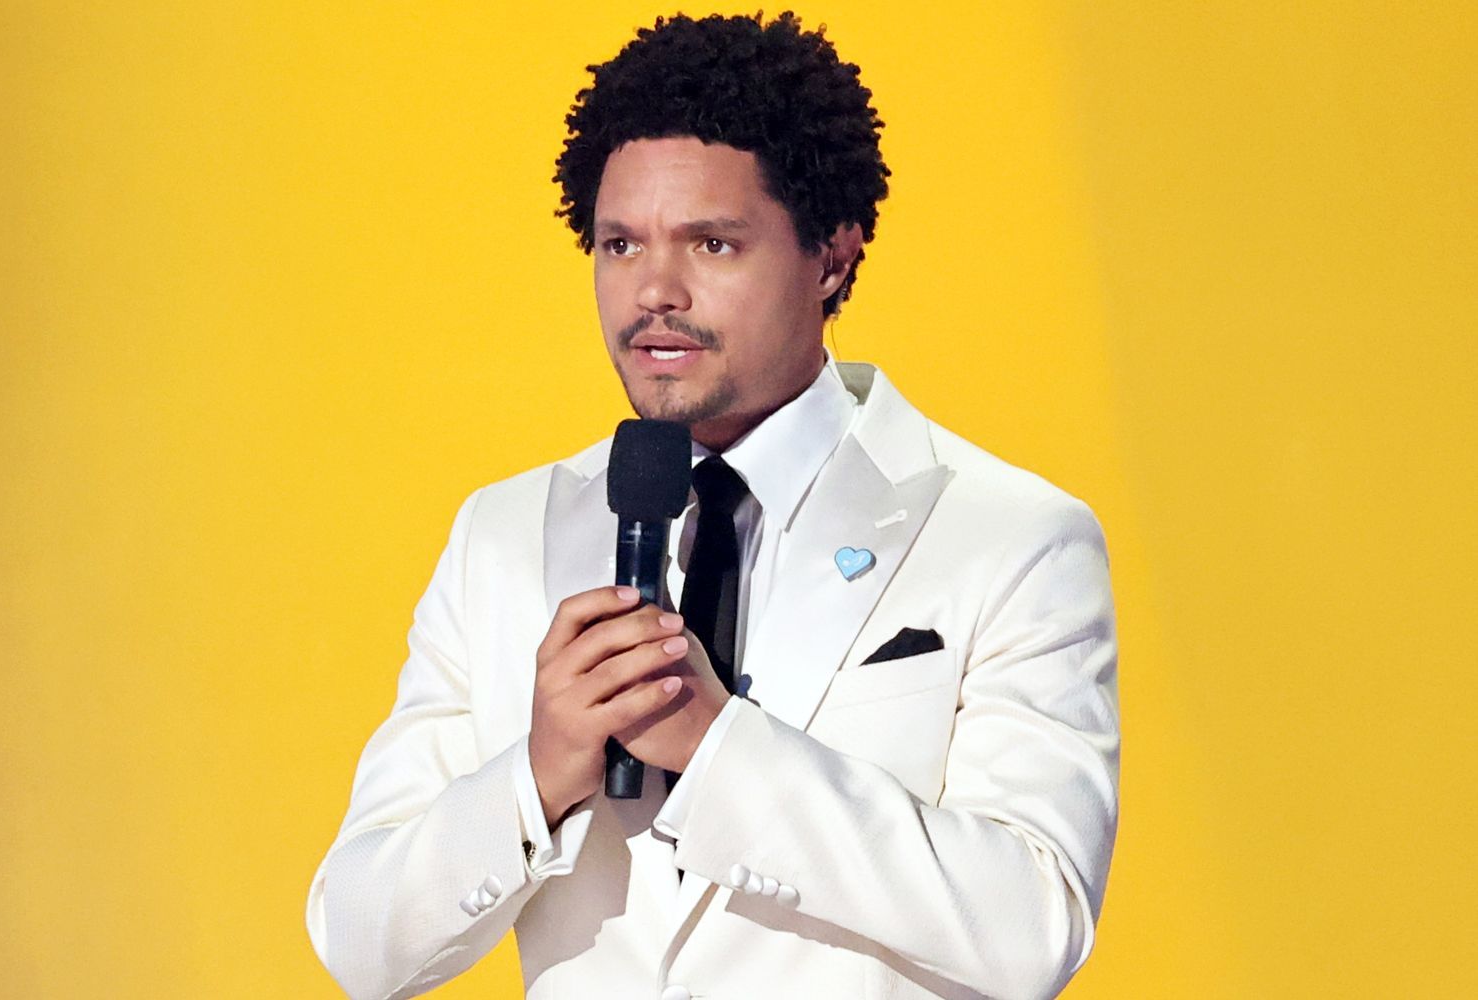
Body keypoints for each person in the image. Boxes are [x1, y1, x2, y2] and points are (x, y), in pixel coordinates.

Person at [307, 12, 1119, 1000]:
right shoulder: (504, 535)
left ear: (831, 257)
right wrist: (537, 776)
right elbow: (361, 942)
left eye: (713, 243)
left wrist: (717, 745)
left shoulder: (1012, 537)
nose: (654, 291)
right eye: (619, 244)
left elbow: (1033, 926)